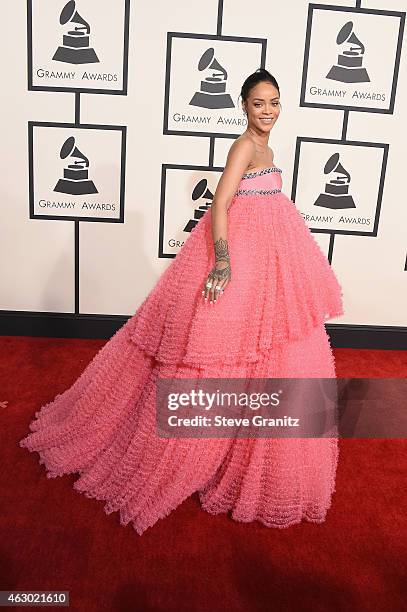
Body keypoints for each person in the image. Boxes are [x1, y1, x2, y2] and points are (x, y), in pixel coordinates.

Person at [19, 68, 344, 535]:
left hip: (272, 258)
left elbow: (264, 203)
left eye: (274, 102)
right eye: (258, 103)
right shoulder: (244, 147)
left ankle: (238, 448)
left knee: (270, 350)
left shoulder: (269, 149)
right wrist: (224, 262)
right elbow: (220, 206)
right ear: (242, 105)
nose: (267, 111)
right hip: (243, 259)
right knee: (218, 353)